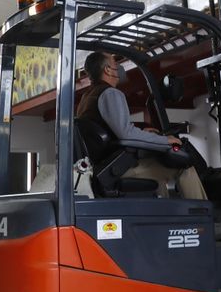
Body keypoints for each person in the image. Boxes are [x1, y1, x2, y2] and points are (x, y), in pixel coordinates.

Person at [77, 51, 206, 200]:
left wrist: (143, 132)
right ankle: (206, 220)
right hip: (119, 169)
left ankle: (164, 220)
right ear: (107, 70)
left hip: (106, 167)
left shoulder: (87, 97)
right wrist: (166, 140)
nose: (118, 68)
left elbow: (113, 130)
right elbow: (126, 134)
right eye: (115, 65)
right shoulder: (111, 93)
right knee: (184, 167)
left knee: (159, 177)